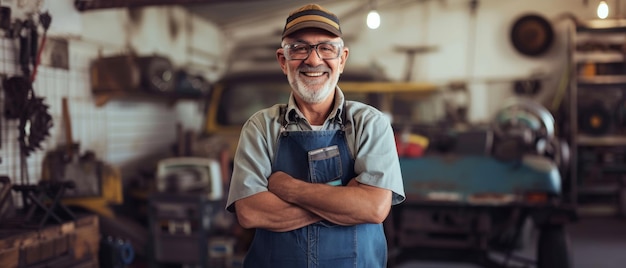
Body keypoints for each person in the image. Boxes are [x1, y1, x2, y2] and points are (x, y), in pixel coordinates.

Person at [226, 3, 405, 267]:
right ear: (283, 61)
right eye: (299, 48)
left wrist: (288, 188)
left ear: (341, 59)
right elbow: (251, 212)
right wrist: (346, 200)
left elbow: (374, 208)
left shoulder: (370, 124)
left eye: (326, 48)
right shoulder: (261, 127)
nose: (313, 59)